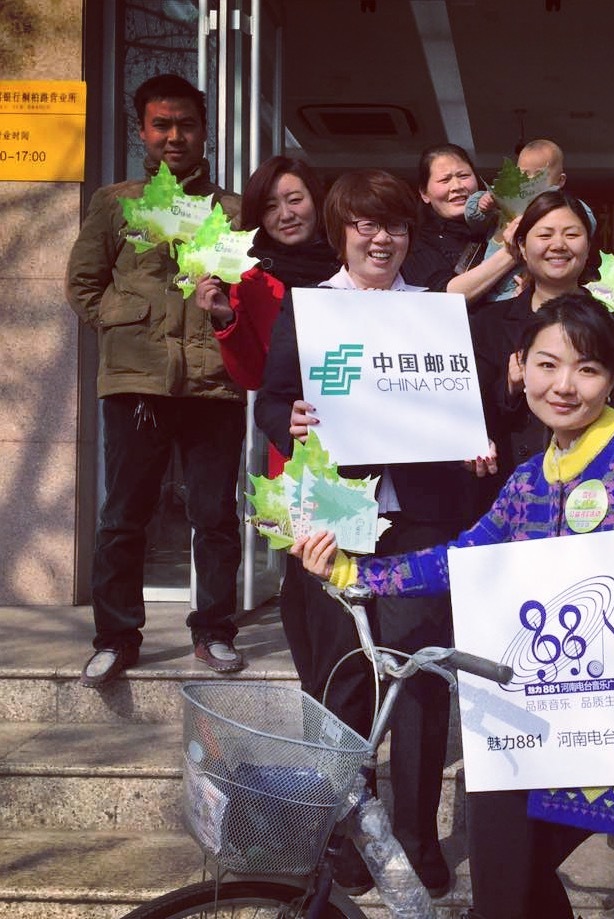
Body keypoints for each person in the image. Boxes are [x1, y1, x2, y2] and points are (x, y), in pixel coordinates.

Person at [294, 294, 614, 919]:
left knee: (508, 876)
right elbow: (462, 559)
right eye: (548, 365)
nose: (565, 386)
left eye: (588, 369)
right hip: (562, 726)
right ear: (520, 367)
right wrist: (354, 572)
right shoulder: (529, 479)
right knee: (505, 856)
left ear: (612, 377)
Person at [254, 169, 471, 897]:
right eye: (366, 225)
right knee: (342, 676)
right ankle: (349, 834)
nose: (382, 239)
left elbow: (461, 401)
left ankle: (415, 838)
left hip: (421, 520)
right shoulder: (310, 309)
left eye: (396, 226)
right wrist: (287, 419)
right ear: (341, 232)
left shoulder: (433, 312)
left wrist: (472, 438)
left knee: (417, 677)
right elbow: (271, 398)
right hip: (335, 514)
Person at [67, 74, 247, 688]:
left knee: (215, 515)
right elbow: (83, 285)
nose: (175, 136)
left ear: (204, 131)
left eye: (186, 124)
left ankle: (215, 630)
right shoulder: (114, 202)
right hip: (135, 382)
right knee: (124, 515)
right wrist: (125, 326)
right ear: (142, 130)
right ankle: (116, 637)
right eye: (161, 125)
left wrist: (225, 322)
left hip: (213, 382)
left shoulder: (230, 211)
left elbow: (250, 296)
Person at [471, 190, 614, 489]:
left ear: (588, 246)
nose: (558, 245)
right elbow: (473, 418)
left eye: (572, 234)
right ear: (522, 246)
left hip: (599, 485)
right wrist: (510, 388)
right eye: (545, 234)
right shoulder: (488, 323)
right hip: (515, 485)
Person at [195, 155, 338, 391]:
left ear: (316, 199)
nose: (286, 215)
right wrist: (226, 319)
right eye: (270, 207)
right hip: (286, 408)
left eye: (295, 200)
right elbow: (252, 377)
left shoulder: (351, 265)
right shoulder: (250, 281)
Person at [465, 138, 598, 303]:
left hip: (535, 287)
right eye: (524, 174)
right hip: (492, 288)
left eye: (539, 176)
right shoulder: (505, 200)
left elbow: (586, 222)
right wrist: (482, 205)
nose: (530, 181)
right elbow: (475, 223)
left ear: (560, 180)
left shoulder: (563, 208)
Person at [400, 142, 522, 309]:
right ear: (424, 193)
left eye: (464, 176)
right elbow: (442, 298)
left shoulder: (500, 221)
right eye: (444, 180)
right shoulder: (416, 243)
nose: (457, 186)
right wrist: (510, 252)